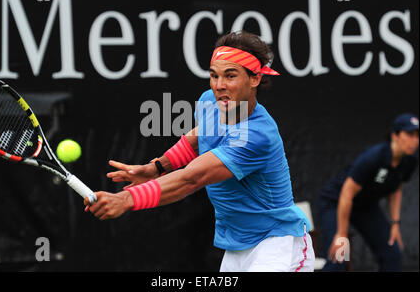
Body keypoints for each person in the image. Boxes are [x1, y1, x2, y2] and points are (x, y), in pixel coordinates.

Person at [84, 31, 315, 272]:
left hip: (278, 244)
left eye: (230, 76)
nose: (219, 86)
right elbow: (197, 138)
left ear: (254, 78)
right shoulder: (210, 102)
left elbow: (192, 178)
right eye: (214, 76)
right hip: (237, 248)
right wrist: (157, 167)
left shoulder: (257, 135)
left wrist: (126, 199)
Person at [318, 113, 419, 271]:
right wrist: (341, 234)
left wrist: (395, 224)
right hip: (336, 202)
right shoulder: (374, 157)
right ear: (395, 135)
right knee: (339, 257)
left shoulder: (409, 161)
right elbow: (347, 193)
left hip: (364, 206)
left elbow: (396, 190)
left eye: (417, 136)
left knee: (393, 254)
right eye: (409, 134)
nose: (415, 140)